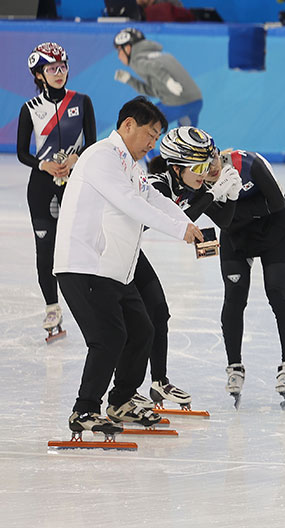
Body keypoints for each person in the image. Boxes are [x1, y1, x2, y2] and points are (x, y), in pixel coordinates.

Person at [53, 97, 202, 437]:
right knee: (108, 338)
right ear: (128, 125)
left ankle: (120, 401)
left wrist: (190, 226)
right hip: (82, 264)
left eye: (158, 136)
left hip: (113, 270)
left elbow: (154, 198)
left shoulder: (129, 166)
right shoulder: (101, 157)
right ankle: (84, 410)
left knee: (142, 330)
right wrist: (180, 231)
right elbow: (130, 202)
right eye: (151, 134)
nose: (153, 144)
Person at [199, 144, 285, 408]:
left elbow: (277, 203)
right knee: (234, 299)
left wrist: (235, 211)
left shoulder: (248, 164)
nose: (213, 168)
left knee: (278, 292)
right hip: (238, 237)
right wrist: (249, 211)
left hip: (275, 232)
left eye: (214, 159)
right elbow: (224, 223)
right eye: (205, 167)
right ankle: (234, 368)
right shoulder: (198, 184)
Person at [133, 127, 231, 409]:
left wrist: (230, 193)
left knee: (159, 313)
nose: (205, 171)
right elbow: (174, 221)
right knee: (130, 324)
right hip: (107, 252)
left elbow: (224, 221)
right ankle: (123, 391)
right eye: (198, 166)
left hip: (130, 252)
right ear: (176, 167)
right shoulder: (156, 183)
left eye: (208, 163)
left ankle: (159, 383)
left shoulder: (191, 184)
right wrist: (211, 197)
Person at [16, 43, 96, 340]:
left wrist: (76, 159)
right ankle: (52, 307)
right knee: (45, 250)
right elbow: (23, 153)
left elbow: (92, 141)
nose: (59, 73)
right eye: (52, 69)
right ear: (39, 75)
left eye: (63, 67)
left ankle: (90, 303)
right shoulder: (30, 110)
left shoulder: (82, 101)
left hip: (76, 185)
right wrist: (44, 165)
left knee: (81, 247)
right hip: (41, 189)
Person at [113, 28, 203, 129]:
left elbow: (153, 67)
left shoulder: (136, 60)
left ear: (128, 48)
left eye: (119, 50)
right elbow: (156, 92)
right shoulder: (161, 54)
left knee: (141, 125)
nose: (118, 56)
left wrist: (168, 81)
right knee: (187, 138)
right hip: (196, 101)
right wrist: (129, 80)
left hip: (177, 103)